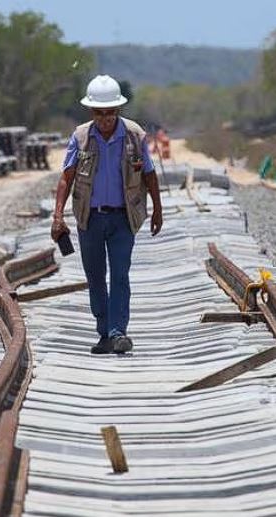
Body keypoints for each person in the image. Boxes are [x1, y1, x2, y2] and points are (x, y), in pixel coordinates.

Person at [50, 75, 163, 355]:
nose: (105, 119)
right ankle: (104, 332)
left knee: (120, 275)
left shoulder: (135, 136)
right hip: (90, 219)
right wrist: (57, 216)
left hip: (123, 218)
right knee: (96, 276)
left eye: (110, 112)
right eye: (99, 113)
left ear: (118, 110)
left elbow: (149, 174)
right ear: (91, 112)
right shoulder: (81, 137)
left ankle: (118, 332)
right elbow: (67, 178)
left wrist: (158, 209)